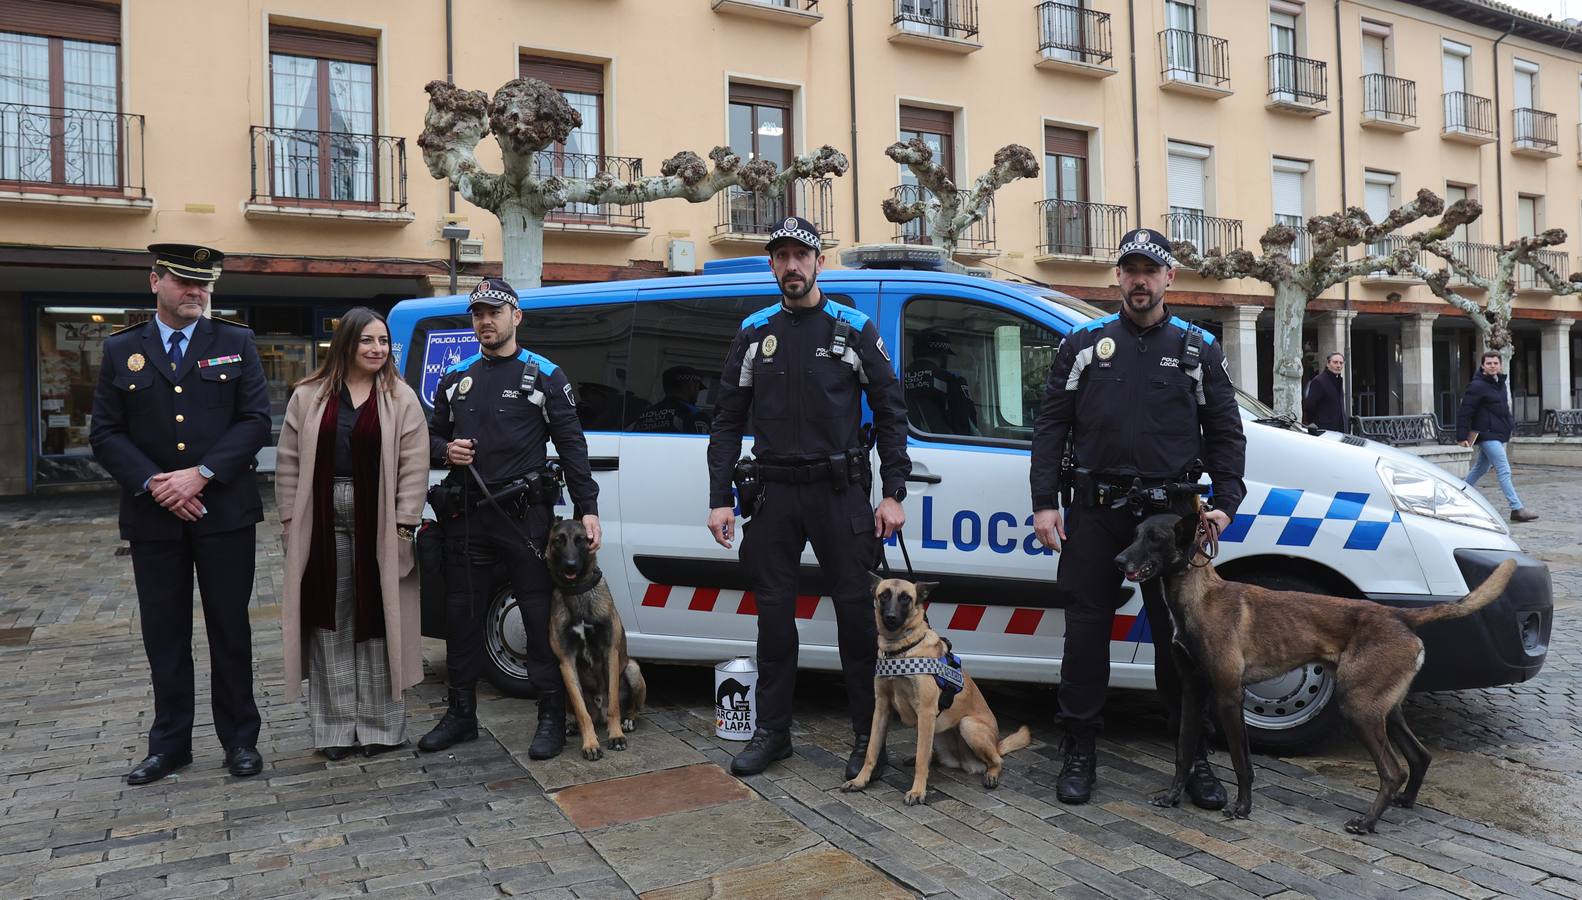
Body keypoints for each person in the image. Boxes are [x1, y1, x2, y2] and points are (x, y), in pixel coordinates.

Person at [1029, 228, 1247, 807]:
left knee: (1181, 645)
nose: (1140, 280)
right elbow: (1051, 428)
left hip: (1171, 522)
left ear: (1169, 277)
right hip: (1095, 512)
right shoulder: (1082, 346)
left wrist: (1225, 501)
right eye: (1130, 270)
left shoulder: (1198, 350)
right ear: (1117, 277)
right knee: (1085, 635)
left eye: (1151, 270)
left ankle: (1194, 759)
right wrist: (1045, 503)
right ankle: (1078, 752)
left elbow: (1226, 431)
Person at [706, 216, 911, 779]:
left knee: (856, 621)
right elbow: (725, 420)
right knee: (773, 620)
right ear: (772, 265)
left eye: (802, 256)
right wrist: (719, 497)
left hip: (839, 494)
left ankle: (868, 741)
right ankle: (773, 734)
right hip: (773, 494)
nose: (792, 266)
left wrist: (894, 492)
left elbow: (892, 415)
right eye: (782, 257)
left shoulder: (852, 328)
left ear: (819, 262)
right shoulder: (754, 331)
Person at [89, 243, 272, 785]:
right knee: (164, 634)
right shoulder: (123, 350)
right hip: (154, 518)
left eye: (204, 284)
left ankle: (240, 739)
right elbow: (105, 432)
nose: (197, 292)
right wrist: (155, 483)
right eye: (185, 282)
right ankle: (170, 744)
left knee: (230, 630)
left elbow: (255, 420)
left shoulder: (236, 342)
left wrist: (201, 475)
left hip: (224, 514)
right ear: (155, 283)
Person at [421, 278, 602, 759]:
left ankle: (550, 716)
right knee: (461, 617)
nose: (485, 321)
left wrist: (589, 511)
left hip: (525, 520)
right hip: (466, 518)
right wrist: (446, 449)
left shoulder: (544, 374)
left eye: (494, 312)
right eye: (478, 313)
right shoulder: (456, 376)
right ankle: (460, 714)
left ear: (515, 317)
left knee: (539, 617)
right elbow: (426, 439)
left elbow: (572, 447)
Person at [275, 307, 430, 760]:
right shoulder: (308, 396)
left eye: (383, 341)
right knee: (331, 620)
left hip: (379, 524)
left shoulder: (401, 398)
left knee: (378, 620)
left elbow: (413, 467)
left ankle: (382, 727)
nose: (377, 349)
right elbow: (288, 462)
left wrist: (404, 526)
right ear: (346, 343)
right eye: (367, 341)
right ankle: (335, 729)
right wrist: (290, 522)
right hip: (320, 522)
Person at [1457, 351, 1538, 523]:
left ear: (1500, 365)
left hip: (1497, 433)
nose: (1492, 366)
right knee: (1504, 469)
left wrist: (1509, 426)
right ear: (1483, 366)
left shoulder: (1499, 384)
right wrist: (1461, 436)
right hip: (1486, 434)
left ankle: (1458, 494)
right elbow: (1465, 412)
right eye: (1489, 363)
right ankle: (1516, 508)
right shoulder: (1477, 386)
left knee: (1481, 468)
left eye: (1495, 363)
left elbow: (1502, 410)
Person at [904, 328, 979, 435]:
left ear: (914, 353)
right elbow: (965, 422)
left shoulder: (898, 378)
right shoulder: (952, 381)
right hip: (941, 443)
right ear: (942, 355)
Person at [631, 366, 710, 434]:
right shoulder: (695, 415)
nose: (697, 393)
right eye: (697, 388)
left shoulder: (645, 415)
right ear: (690, 386)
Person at [1303, 351, 1347, 432]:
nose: (1338, 365)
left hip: (1339, 430)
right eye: (1335, 362)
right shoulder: (1319, 381)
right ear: (1328, 364)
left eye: (1341, 363)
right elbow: (1310, 406)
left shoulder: (1338, 380)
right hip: (1324, 430)